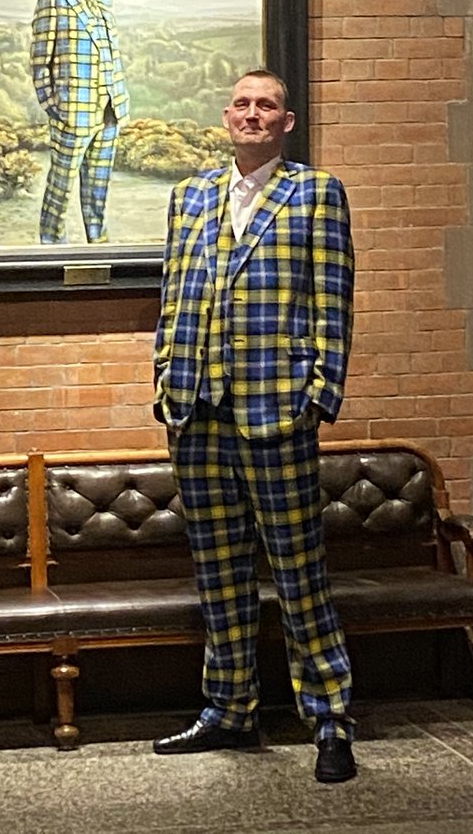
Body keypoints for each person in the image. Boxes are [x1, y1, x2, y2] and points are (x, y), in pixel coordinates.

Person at [151, 68, 357, 784]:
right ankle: (230, 710)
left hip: (278, 410)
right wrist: (164, 378)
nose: (252, 114)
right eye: (241, 104)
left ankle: (330, 720)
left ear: (286, 121)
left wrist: (320, 393)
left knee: (299, 574)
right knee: (219, 573)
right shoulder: (190, 195)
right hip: (196, 410)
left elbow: (333, 300)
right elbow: (174, 296)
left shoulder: (316, 193)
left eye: (266, 105)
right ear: (226, 115)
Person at [30, 0, 129, 244]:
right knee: (60, 189)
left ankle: (98, 248)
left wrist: (119, 100)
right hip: (72, 114)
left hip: (110, 112)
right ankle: (51, 248)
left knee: (97, 190)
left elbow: (112, 54)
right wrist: (55, 108)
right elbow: (39, 63)